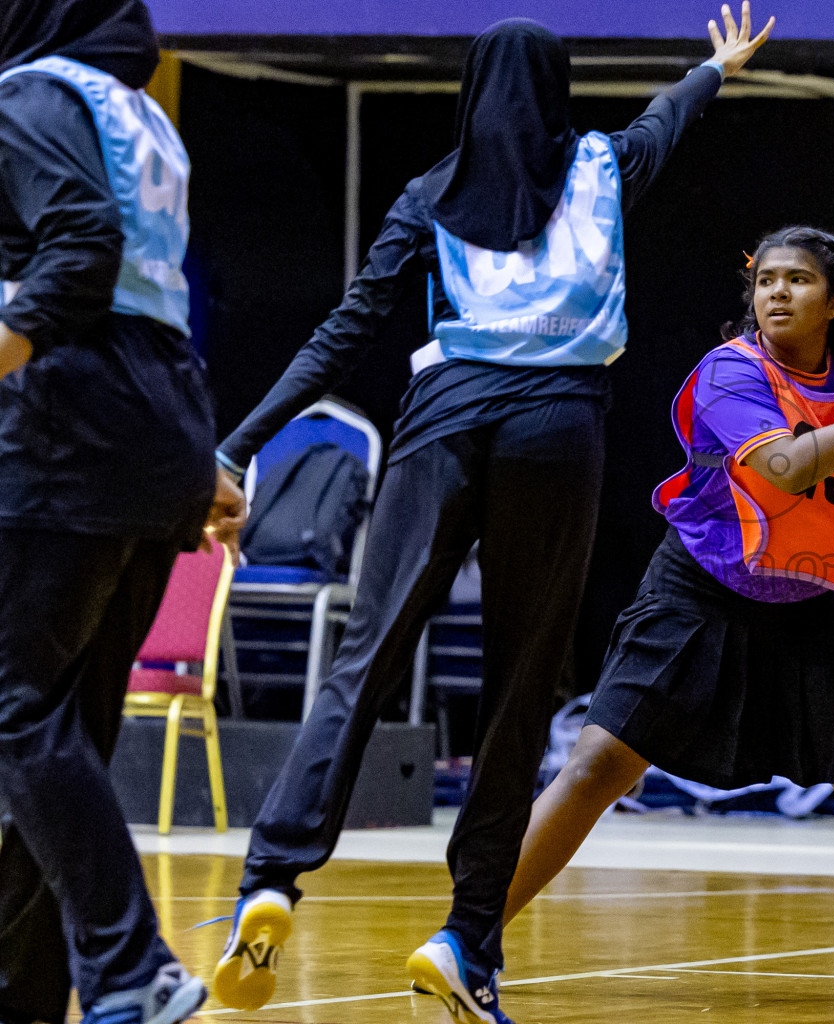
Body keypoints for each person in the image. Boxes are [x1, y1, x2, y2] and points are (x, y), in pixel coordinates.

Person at [210, 9, 774, 1022]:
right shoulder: (602, 166)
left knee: (366, 659)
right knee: (518, 689)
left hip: (443, 421)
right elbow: (666, 120)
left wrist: (236, 441)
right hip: (559, 429)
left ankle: (271, 876)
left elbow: (345, 331)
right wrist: (713, 68)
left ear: (469, 93)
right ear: (558, 92)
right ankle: (466, 934)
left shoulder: (429, 193)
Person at [476, 226, 834, 1005]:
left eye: (797, 280)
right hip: (699, 591)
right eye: (766, 281)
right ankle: (472, 938)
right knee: (597, 765)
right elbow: (788, 470)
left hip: (807, 602)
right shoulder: (730, 372)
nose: (777, 293)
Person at [0, 2, 246, 1023]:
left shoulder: (26, 94)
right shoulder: (142, 114)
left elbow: (81, 245)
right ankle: (29, 988)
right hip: (161, 431)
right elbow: (153, 287)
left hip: (75, 427)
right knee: (62, 730)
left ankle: (125, 962)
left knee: (13, 703)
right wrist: (195, 456)